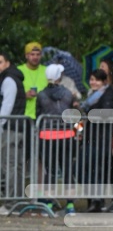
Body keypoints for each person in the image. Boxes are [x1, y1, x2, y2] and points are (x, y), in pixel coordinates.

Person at [36, 64, 76, 216]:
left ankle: (49, 205)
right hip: (66, 136)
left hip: (47, 136)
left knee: (50, 171)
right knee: (67, 170)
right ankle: (70, 205)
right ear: (59, 76)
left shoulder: (41, 95)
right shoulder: (68, 94)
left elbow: (38, 114)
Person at [79, 68, 113, 212]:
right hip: (92, 136)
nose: (92, 82)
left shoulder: (108, 95)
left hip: (103, 136)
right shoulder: (91, 96)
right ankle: (94, 200)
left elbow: (105, 113)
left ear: (103, 82)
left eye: (96, 80)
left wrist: (91, 114)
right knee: (90, 168)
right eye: (91, 79)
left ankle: (98, 200)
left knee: (99, 169)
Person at [0, 51, 27, 215]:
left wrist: (0, 123)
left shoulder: (9, 80)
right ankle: (15, 201)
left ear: (7, 63)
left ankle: (11, 203)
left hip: (11, 127)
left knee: (10, 165)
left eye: (0, 62)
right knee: (14, 165)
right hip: (16, 127)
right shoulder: (13, 77)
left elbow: (7, 106)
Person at [18, 42, 48, 120]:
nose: (35, 57)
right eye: (32, 54)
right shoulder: (18, 70)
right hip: (24, 115)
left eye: (38, 54)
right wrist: (24, 95)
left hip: (42, 116)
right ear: (26, 56)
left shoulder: (47, 71)